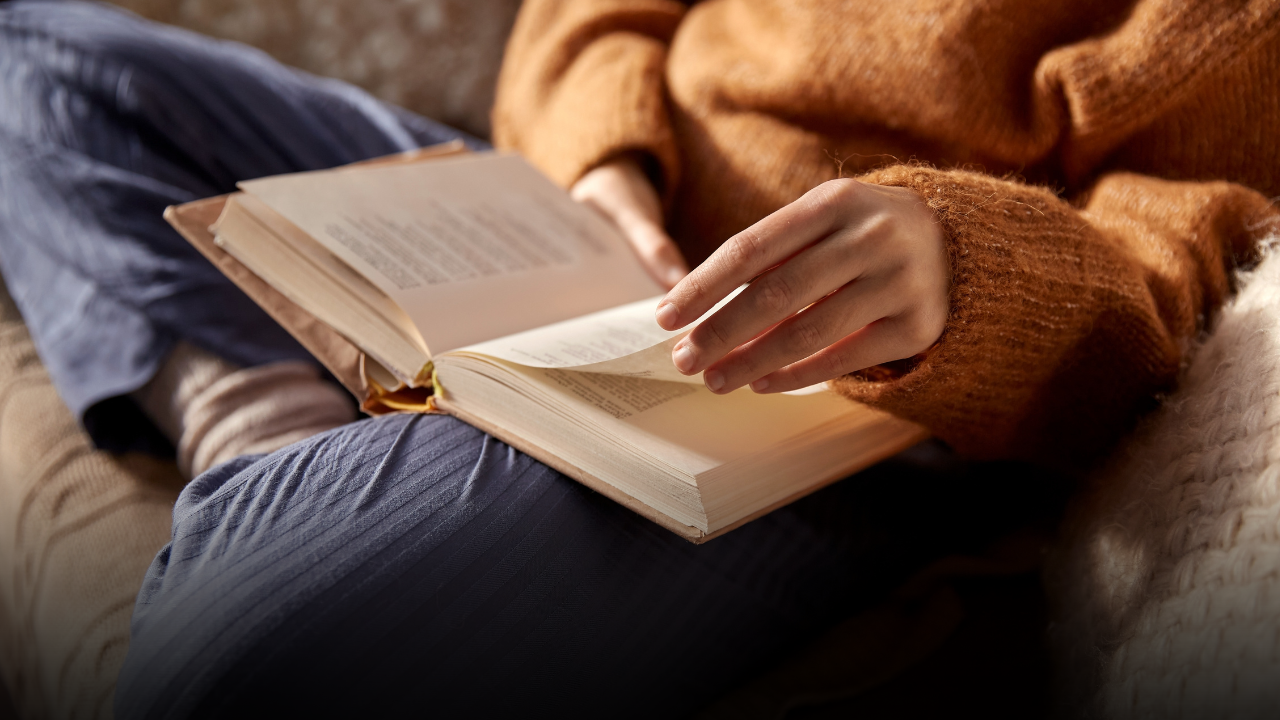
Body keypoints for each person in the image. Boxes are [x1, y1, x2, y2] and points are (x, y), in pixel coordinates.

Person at [0, 0, 1274, 717]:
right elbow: (594, 13)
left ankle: (322, 449)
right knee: (36, 62)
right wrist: (604, 161)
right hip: (570, 225)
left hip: (816, 395)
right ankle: (291, 436)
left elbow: (1185, 265)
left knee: (230, 656)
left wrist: (960, 265)